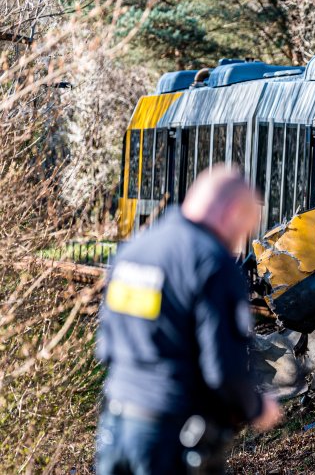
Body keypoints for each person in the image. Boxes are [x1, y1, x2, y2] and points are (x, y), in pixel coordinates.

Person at [96, 166, 282, 475]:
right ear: (232, 212)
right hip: (170, 437)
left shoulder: (135, 250)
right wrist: (257, 407)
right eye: (242, 230)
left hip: (115, 430)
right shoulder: (211, 262)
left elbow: (106, 346)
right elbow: (223, 369)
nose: (237, 242)